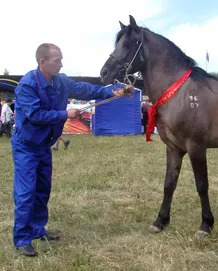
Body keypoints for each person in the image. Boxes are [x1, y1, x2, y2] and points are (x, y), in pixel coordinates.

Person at [11, 43, 134, 257]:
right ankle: (22, 238)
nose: (61, 64)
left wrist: (112, 91)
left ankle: (38, 230)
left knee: (42, 190)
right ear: (42, 62)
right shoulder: (27, 85)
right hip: (26, 146)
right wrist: (65, 114)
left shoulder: (61, 81)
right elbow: (34, 115)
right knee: (26, 192)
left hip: (43, 145)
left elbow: (88, 90)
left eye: (61, 59)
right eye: (57, 60)